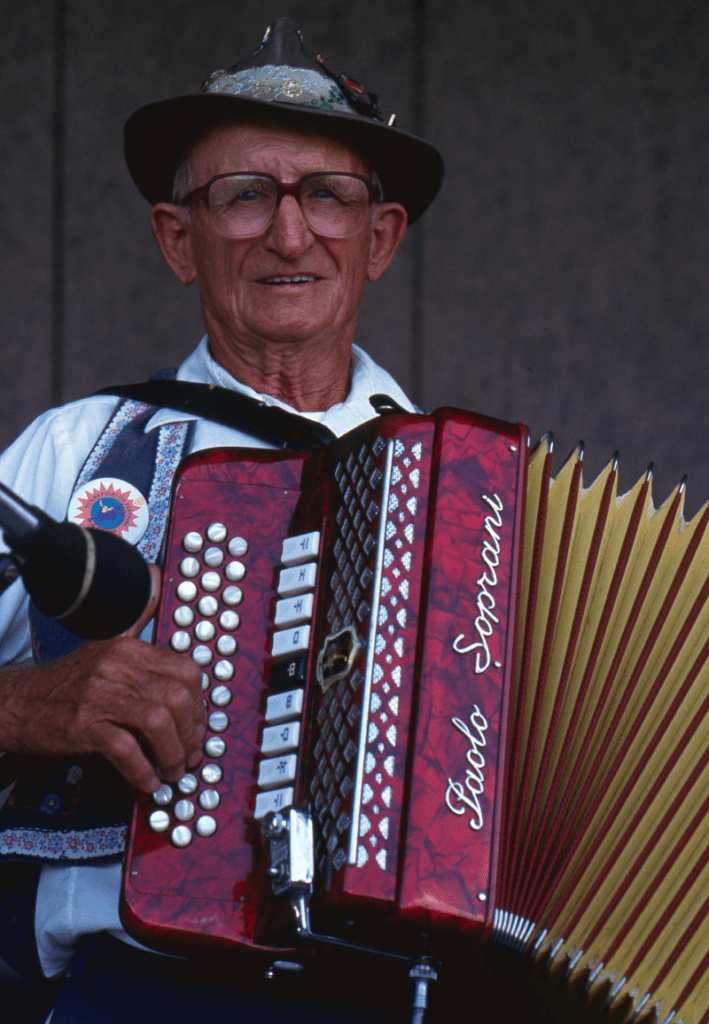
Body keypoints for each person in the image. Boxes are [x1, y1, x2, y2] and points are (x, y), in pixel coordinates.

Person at [0, 17, 444, 1024]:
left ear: (378, 238)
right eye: (243, 196)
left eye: (327, 195)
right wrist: (23, 706)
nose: (290, 235)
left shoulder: (472, 507)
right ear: (175, 236)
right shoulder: (76, 452)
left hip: (406, 996)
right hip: (136, 992)